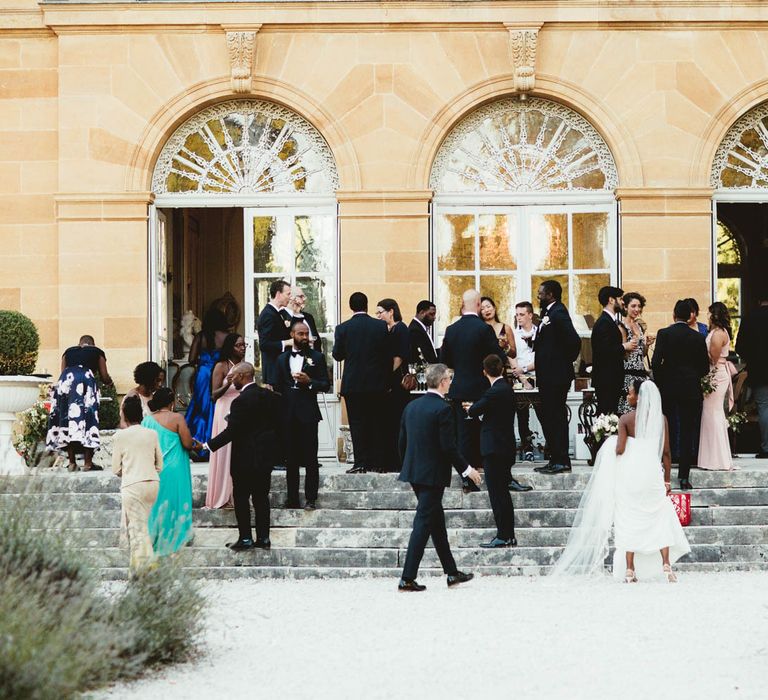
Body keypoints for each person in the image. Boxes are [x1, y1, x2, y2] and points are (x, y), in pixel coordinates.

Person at [551, 380, 690, 582]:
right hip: (652, 475)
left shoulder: (626, 419)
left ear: (639, 397)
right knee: (660, 517)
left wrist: (612, 440)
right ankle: (666, 565)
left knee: (628, 517)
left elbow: (620, 449)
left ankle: (630, 569)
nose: (628, 396)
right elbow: (666, 452)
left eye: (630, 393)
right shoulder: (661, 419)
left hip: (631, 476)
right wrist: (667, 480)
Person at [397, 363, 481, 591]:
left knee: (436, 522)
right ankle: (407, 577)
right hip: (433, 474)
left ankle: (452, 573)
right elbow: (449, 448)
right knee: (423, 523)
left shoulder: (411, 407)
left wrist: (408, 466)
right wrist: (468, 470)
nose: (451, 382)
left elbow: (402, 443)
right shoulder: (443, 409)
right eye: (449, 379)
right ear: (443, 382)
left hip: (414, 472)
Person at [206, 362, 281, 551]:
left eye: (233, 377)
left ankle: (246, 538)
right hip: (264, 459)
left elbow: (232, 432)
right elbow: (278, 426)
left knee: (241, 498)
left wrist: (208, 445)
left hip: (244, 459)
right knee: (261, 499)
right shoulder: (270, 396)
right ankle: (264, 539)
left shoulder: (239, 401)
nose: (232, 381)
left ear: (242, 376)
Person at [440, 289, 505, 482]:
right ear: (478, 304)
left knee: (463, 433)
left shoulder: (452, 329)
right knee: (483, 430)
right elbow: (497, 358)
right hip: (481, 388)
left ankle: (466, 473)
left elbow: (445, 360)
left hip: (459, 387)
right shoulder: (483, 329)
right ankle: (482, 467)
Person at [467, 355, 531, 549]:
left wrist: (471, 408)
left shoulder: (494, 391)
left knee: (497, 494)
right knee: (502, 493)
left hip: (494, 449)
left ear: (485, 371)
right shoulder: (507, 389)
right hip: (505, 446)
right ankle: (508, 534)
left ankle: (504, 535)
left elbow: (474, 411)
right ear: (502, 369)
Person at [651, 299, 709, 490]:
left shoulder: (664, 334)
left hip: (668, 388)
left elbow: (656, 362)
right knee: (687, 433)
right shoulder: (698, 338)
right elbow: (704, 368)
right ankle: (684, 477)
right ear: (689, 316)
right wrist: (692, 377)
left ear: (674, 315)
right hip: (690, 388)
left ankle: (662, 473)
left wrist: (661, 383)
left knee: (665, 431)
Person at [332, 292, 391, 474]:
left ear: (351, 307)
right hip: (376, 383)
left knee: (357, 424)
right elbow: (386, 355)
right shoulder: (380, 326)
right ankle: (378, 463)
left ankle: (360, 463)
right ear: (366, 305)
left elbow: (337, 355)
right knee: (377, 422)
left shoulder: (343, 328)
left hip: (354, 384)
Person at [274, 321, 330, 509]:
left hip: (308, 414)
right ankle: (292, 499)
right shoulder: (281, 359)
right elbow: (277, 386)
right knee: (290, 458)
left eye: (307, 334)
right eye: (301, 334)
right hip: (287, 414)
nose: (305, 337)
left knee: (310, 458)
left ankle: (311, 499)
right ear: (292, 335)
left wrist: (310, 382)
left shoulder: (317, 357)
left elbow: (325, 384)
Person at [533, 280, 582, 475]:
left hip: (556, 376)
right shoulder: (548, 313)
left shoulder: (558, 312)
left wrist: (561, 361)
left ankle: (562, 460)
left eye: (541, 293)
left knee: (556, 417)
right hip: (548, 375)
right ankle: (555, 458)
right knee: (551, 417)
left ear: (551, 294)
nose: (538, 296)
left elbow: (574, 341)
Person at [111, 395, 163, 574]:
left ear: (124, 414)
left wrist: (126, 471)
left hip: (132, 485)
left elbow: (115, 468)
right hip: (152, 484)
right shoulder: (152, 433)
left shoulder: (120, 436)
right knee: (141, 526)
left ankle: (146, 568)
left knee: (137, 529)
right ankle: (137, 567)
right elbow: (160, 464)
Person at [46, 335, 113, 472]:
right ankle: (88, 463)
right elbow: (104, 375)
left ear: (80, 344)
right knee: (89, 420)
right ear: (92, 344)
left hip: (67, 380)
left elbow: (63, 371)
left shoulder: (68, 351)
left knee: (67, 420)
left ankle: (72, 462)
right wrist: (109, 383)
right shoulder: (97, 352)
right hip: (86, 379)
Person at [144, 387, 196, 555]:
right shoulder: (177, 418)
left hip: (156, 467)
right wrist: (197, 444)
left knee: (158, 503)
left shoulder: (147, 420)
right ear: (171, 402)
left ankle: (156, 536)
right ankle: (179, 535)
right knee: (177, 500)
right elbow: (187, 444)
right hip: (175, 467)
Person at [205, 333, 247, 509]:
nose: (243, 348)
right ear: (230, 348)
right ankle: (223, 496)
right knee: (225, 451)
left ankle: (239, 495)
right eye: (239, 345)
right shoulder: (221, 366)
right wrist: (228, 384)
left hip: (241, 410)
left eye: (244, 345)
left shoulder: (245, 367)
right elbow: (213, 395)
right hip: (224, 410)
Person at [186, 307, 230, 458]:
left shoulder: (201, 336)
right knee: (217, 404)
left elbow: (191, 359)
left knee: (200, 407)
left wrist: (202, 361)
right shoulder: (226, 336)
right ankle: (215, 443)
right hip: (219, 372)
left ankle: (197, 442)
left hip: (204, 374)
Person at [698, 302, 734, 471]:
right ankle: (711, 458)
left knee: (713, 414)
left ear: (715, 315)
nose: (708, 316)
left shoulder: (719, 333)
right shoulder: (715, 331)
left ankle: (716, 459)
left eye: (710, 313)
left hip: (716, 375)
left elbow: (713, 358)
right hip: (713, 374)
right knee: (711, 414)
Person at [377, 298, 411, 473]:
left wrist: (387, 377)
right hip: (388, 384)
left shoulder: (401, 329)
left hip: (396, 384)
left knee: (396, 424)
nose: (378, 316)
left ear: (391, 311)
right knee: (387, 424)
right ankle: (388, 460)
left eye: (380, 312)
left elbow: (398, 357)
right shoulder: (388, 330)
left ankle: (397, 462)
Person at [735, 288, 768, 459]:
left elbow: (740, 346)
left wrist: (752, 359)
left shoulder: (750, 318)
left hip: (759, 370)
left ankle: (766, 447)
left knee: (763, 407)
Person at [591, 285, 632, 416]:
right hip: (606, 379)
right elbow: (604, 350)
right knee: (606, 414)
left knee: (611, 413)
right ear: (611, 300)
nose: (622, 302)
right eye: (620, 298)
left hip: (611, 378)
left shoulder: (610, 321)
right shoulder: (604, 322)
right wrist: (625, 346)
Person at [510, 301, 539, 459]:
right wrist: (522, 378)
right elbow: (511, 357)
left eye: (522, 314)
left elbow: (542, 357)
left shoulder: (539, 332)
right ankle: (527, 447)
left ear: (530, 315)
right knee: (522, 415)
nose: (519, 318)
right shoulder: (513, 334)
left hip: (539, 377)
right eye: (517, 315)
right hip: (520, 379)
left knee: (544, 413)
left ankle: (548, 445)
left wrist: (528, 369)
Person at [617, 292, 653, 414]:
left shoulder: (639, 326)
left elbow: (641, 354)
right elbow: (623, 354)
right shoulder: (621, 326)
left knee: (642, 411)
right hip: (628, 375)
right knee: (629, 411)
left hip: (641, 373)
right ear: (625, 307)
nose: (637, 309)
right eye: (633, 306)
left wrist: (646, 345)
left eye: (639, 306)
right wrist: (628, 346)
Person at [257, 279, 293, 389]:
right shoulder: (268, 314)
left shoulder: (278, 313)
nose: (290, 297)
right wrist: (287, 342)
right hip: (275, 372)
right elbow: (264, 344)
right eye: (288, 294)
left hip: (281, 371)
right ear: (278, 294)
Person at [120, 361, 163, 427]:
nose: (160, 384)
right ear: (149, 379)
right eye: (157, 380)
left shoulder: (154, 396)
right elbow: (123, 423)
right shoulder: (133, 396)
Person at [480, 296, 517, 364]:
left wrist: (506, 346)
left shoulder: (506, 328)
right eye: (482, 309)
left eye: (488, 306)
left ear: (494, 308)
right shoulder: (479, 328)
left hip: (500, 369)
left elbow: (513, 354)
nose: (486, 310)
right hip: (483, 369)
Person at [286, 285, 322, 352]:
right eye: (301, 296)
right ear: (291, 298)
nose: (304, 299)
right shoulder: (286, 318)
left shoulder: (308, 317)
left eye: (304, 296)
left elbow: (317, 339)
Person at [408, 300, 438, 364]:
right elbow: (424, 355)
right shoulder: (415, 330)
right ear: (422, 313)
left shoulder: (420, 328)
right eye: (431, 314)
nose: (434, 317)